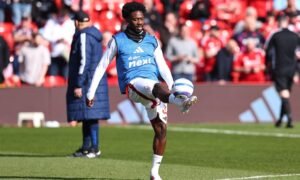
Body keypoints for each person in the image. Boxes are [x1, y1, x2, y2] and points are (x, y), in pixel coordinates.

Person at [86, 2, 197, 179]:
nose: (139, 22)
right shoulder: (118, 40)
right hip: (134, 85)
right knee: (156, 87)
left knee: (161, 130)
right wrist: (90, 92)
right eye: (135, 19)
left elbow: (163, 67)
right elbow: (102, 66)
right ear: (127, 20)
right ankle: (180, 103)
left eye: (141, 19)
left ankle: (154, 173)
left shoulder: (152, 40)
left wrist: (174, 88)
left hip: (155, 90)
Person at [66, 11, 110, 158]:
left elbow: (84, 62)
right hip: (92, 80)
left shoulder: (84, 36)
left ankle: (94, 148)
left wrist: (78, 84)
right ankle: (86, 147)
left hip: (87, 82)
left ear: (77, 22)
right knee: (87, 115)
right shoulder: (93, 35)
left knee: (90, 116)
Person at [266, 15, 300, 128]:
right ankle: (280, 120)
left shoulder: (275, 35)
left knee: (284, 94)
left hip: (280, 68)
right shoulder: (295, 36)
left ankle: (289, 118)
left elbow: (267, 50)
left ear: (279, 23)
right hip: (292, 69)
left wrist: (268, 66)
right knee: (286, 94)